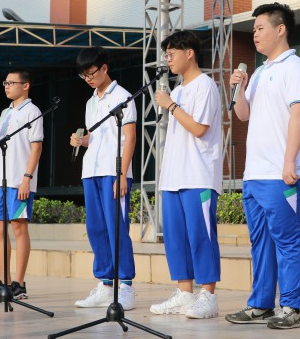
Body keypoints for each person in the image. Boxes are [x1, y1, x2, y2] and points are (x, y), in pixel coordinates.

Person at [226, 3, 300, 329]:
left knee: (288, 241)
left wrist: (289, 162)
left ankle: (290, 306)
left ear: (280, 29)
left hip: (282, 173)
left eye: (260, 28)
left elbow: (299, 115)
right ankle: (261, 304)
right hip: (255, 175)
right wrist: (239, 88)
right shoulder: (261, 72)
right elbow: (243, 115)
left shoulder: (296, 69)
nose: (255, 34)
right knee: (260, 242)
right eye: (253, 30)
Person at [151, 30, 222, 319]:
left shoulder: (205, 85)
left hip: (198, 176)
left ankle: (208, 296)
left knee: (201, 236)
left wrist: (170, 105)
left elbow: (199, 128)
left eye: (172, 54)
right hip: (174, 176)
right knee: (176, 239)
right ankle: (184, 293)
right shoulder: (178, 90)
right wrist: (172, 102)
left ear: (189, 53)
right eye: (166, 55)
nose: (168, 60)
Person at [69, 47, 137, 311]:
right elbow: (96, 138)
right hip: (91, 170)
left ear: (105, 68)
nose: (88, 79)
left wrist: (122, 174)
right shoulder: (91, 102)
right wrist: (81, 140)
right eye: (83, 75)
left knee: (116, 228)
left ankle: (126, 286)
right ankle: (105, 284)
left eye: (91, 73)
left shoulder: (123, 97)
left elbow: (129, 138)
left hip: (113, 171)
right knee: (96, 229)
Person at [0, 68, 44, 300]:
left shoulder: (33, 111)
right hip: (1, 180)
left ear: (25, 85)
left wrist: (27, 179)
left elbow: (36, 148)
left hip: (19, 181)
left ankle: (20, 284)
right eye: (5, 83)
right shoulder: (5, 112)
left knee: (18, 227)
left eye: (11, 83)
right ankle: (4, 281)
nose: (6, 86)